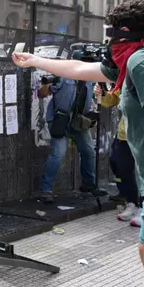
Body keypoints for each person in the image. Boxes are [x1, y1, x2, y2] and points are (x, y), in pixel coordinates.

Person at [12, 0, 144, 287]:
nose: (106, 44)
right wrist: (33, 60)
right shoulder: (128, 65)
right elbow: (80, 68)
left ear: (121, 33)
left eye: (109, 34)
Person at [35, 74, 98, 203]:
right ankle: (46, 190)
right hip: (60, 120)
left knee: (89, 151)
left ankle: (88, 185)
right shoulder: (63, 76)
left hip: (79, 121)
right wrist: (48, 84)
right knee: (58, 153)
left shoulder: (90, 77)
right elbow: (42, 94)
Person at [94, 83, 142, 225]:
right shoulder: (124, 80)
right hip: (124, 134)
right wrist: (101, 94)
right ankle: (132, 202)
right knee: (120, 165)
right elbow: (111, 100)